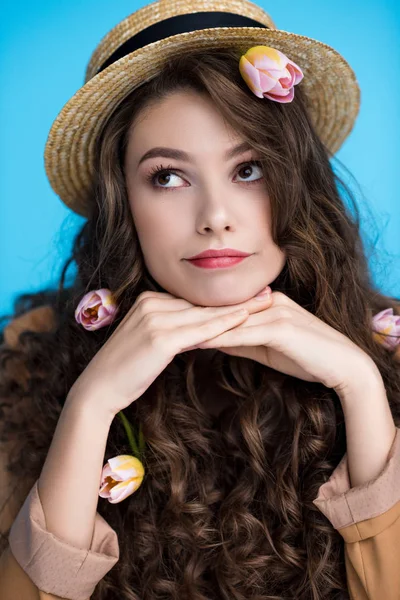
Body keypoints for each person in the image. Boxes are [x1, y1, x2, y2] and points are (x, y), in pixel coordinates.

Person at [0, 0, 400, 598]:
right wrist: (89, 407)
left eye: (250, 169)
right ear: (122, 204)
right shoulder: (26, 363)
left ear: (298, 182)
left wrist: (362, 388)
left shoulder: (383, 346)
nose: (215, 217)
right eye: (167, 176)